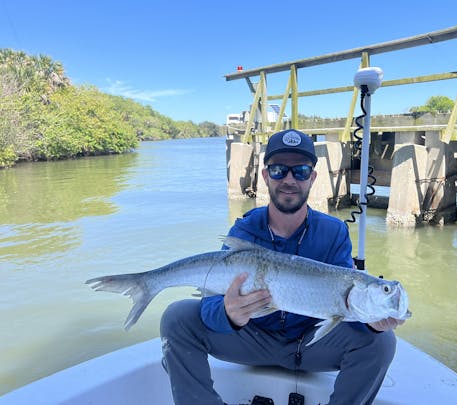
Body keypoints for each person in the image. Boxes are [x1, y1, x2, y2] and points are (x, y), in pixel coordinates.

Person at [160, 129, 405, 405]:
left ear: (312, 178)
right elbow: (209, 306)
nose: (289, 179)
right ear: (265, 176)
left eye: (300, 171)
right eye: (278, 170)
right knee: (177, 317)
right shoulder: (244, 230)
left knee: (382, 341)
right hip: (251, 340)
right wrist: (229, 314)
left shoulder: (334, 232)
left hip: (311, 346)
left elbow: (346, 308)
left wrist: (371, 323)